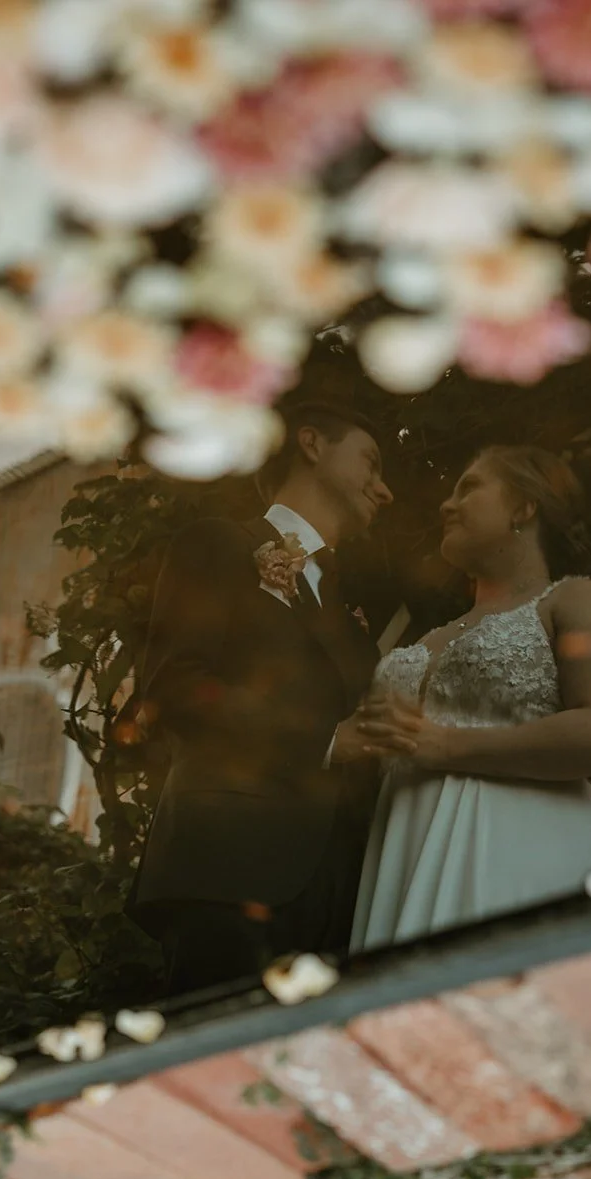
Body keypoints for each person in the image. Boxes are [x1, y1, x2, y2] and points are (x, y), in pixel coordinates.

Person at [129, 402, 394, 995]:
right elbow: (175, 689)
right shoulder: (217, 544)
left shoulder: (349, 611)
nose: (386, 490)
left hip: (336, 885)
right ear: (312, 444)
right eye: (371, 463)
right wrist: (327, 740)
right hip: (228, 864)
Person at [348, 444, 591, 951]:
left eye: (469, 488)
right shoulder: (425, 637)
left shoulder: (576, 600)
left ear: (523, 507)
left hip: (520, 844)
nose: (447, 504)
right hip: (405, 844)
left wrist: (445, 748)